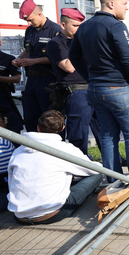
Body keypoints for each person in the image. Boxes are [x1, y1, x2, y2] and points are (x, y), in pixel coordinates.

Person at [69, 0, 129, 179]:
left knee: (108, 136)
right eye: (124, 3)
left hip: (96, 89)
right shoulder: (116, 26)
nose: (127, 8)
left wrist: (90, 77)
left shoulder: (85, 26)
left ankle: (113, 181)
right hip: (118, 88)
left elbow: (73, 55)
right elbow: (128, 58)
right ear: (111, 4)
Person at [7, 110, 103, 225]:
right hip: (51, 213)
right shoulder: (64, 148)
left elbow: (11, 179)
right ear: (63, 128)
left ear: (38, 128)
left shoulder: (19, 150)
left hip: (19, 216)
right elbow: (94, 170)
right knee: (97, 175)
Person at [46, 8, 100, 154]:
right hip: (77, 92)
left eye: (81, 26)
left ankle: (114, 163)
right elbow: (69, 67)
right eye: (75, 26)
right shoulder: (56, 43)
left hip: (94, 89)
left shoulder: (84, 42)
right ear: (63, 25)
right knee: (79, 135)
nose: (79, 29)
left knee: (104, 131)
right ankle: (80, 165)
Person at [13, 0, 61, 131]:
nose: (29, 23)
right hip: (32, 79)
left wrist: (34, 61)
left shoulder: (54, 30)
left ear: (40, 14)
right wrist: (18, 60)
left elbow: (58, 57)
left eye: (30, 19)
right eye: (26, 21)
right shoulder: (30, 30)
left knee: (48, 117)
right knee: (30, 115)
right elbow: (28, 50)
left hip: (48, 79)